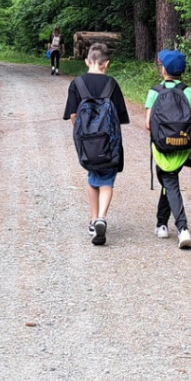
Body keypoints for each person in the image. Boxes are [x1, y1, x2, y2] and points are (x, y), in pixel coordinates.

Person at [63, 42, 130, 245]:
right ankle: (101, 217)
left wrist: (83, 134)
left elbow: (73, 115)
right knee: (107, 181)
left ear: (86, 61)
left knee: (92, 176)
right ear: (106, 63)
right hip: (108, 143)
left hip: (87, 143)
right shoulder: (111, 84)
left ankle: (93, 220)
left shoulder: (77, 84)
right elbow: (120, 118)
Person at [145, 50, 191, 250]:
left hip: (162, 147)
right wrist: (186, 136)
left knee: (169, 181)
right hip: (182, 149)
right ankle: (161, 224)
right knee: (168, 180)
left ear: (164, 70)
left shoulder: (155, 92)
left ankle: (182, 228)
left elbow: (148, 125)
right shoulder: (189, 92)